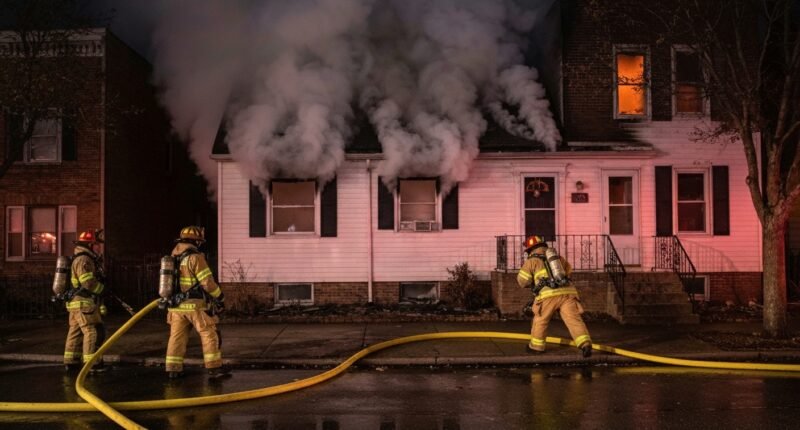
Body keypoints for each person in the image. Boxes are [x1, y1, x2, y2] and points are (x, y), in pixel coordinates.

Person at [164, 226, 229, 379]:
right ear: (196, 242)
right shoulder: (195, 257)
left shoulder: (172, 257)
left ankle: (173, 370)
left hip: (175, 307)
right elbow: (207, 283)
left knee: (176, 338)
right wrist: (220, 297)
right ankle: (214, 369)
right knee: (209, 334)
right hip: (195, 306)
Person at [516, 235, 592, 358]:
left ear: (530, 250)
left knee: (540, 320)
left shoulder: (531, 261)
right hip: (568, 293)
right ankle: (585, 344)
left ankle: (536, 347)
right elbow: (568, 272)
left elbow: (522, 281)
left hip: (548, 295)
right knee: (574, 320)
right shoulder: (558, 258)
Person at [63, 230, 107, 373]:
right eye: (97, 244)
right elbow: (87, 282)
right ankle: (93, 364)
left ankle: (71, 361)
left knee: (75, 332)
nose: (99, 248)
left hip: (76, 303)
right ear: (90, 245)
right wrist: (102, 289)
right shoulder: (84, 259)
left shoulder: (80, 258)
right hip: (84, 303)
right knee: (93, 331)